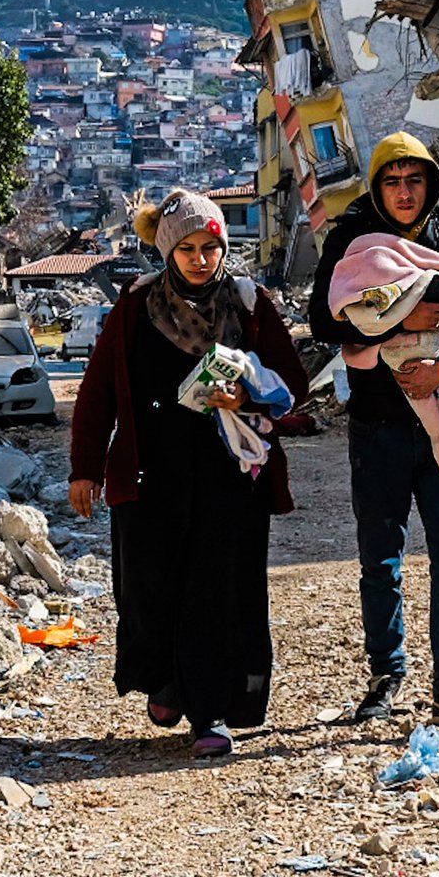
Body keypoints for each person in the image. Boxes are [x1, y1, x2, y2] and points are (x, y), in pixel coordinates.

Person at [69, 189, 309, 757]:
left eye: (211, 247)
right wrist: (86, 469)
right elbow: (98, 390)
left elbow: (293, 384)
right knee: (149, 591)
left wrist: (245, 395)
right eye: (188, 249)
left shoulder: (249, 305)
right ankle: (168, 682)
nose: (201, 259)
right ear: (168, 253)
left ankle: (211, 713)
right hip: (151, 474)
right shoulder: (135, 308)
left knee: (217, 592)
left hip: (228, 478)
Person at [310, 132, 439, 725]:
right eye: (391, 181)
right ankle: (385, 674)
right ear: (376, 186)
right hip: (379, 425)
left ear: (432, 182)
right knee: (380, 557)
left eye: (413, 179)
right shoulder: (349, 235)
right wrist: (398, 319)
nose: (403, 192)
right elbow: (322, 317)